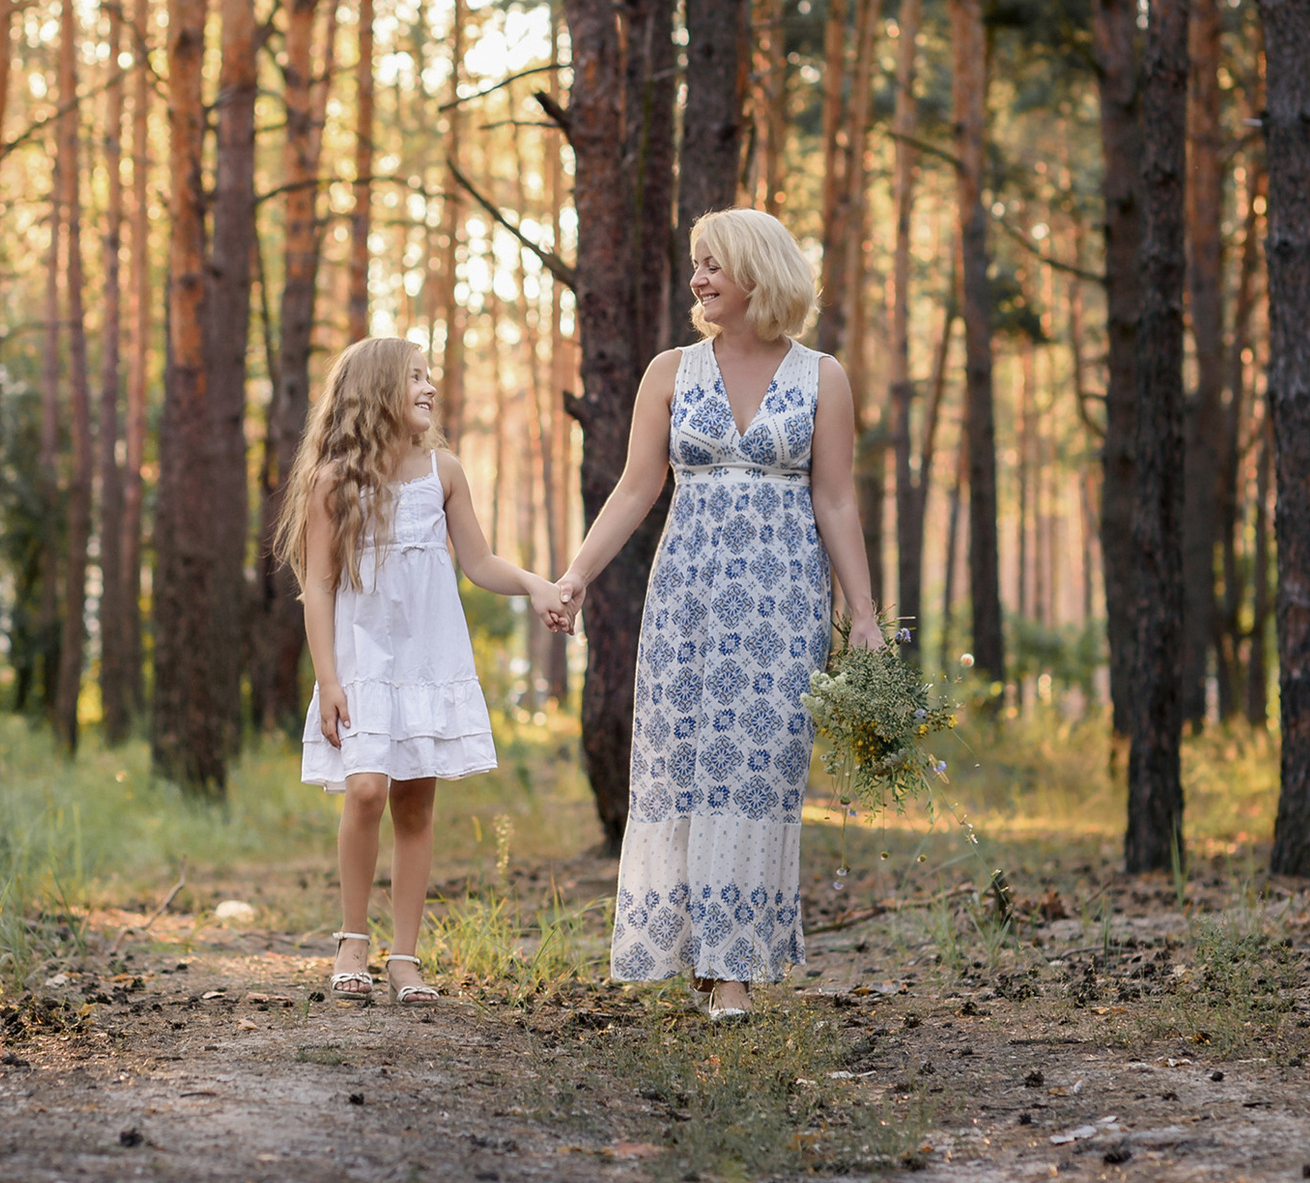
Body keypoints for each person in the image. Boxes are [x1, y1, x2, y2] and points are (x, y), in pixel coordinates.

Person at [550, 209, 884, 1020]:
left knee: (758, 769)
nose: (697, 280)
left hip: (779, 603)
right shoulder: (670, 371)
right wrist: (577, 574)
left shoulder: (821, 376)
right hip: (688, 599)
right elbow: (635, 487)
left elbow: (835, 498)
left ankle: (732, 967)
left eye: (712, 266)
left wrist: (864, 616)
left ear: (756, 274)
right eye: (696, 265)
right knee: (686, 764)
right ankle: (693, 950)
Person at [278, 336, 562, 1005]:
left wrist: (537, 584)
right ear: (378, 391)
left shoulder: (445, 472)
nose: (430, 387)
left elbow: (481, 562)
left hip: (427, 657)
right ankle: (353, 938)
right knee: (367, 788)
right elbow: (318, 586)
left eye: (430, 375)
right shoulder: (333, 481)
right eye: (415, 377)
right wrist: (329, 677)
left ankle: (405, 954)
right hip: (362, 660)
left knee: (415, 800)